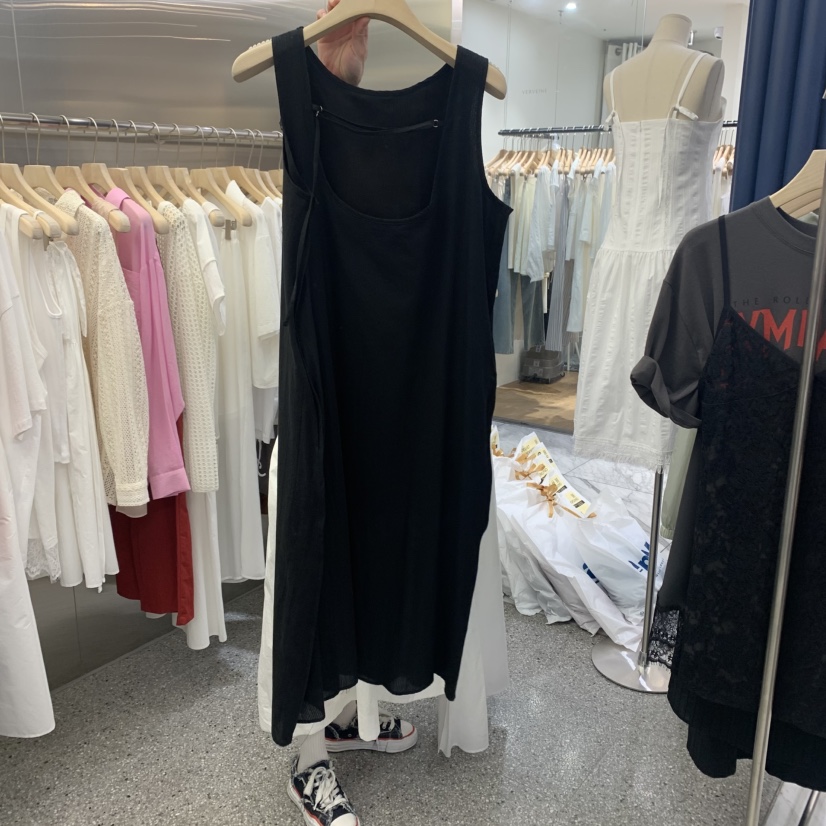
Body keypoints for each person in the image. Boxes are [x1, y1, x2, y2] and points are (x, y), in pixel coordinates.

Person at [284, 5, 418, 825]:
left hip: (400, 400)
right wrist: (328, 63)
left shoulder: (449, 107)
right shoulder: (298, 93)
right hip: (323, 398)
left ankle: (350, 718)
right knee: (316, 571)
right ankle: (307, 756)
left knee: (379, 563)